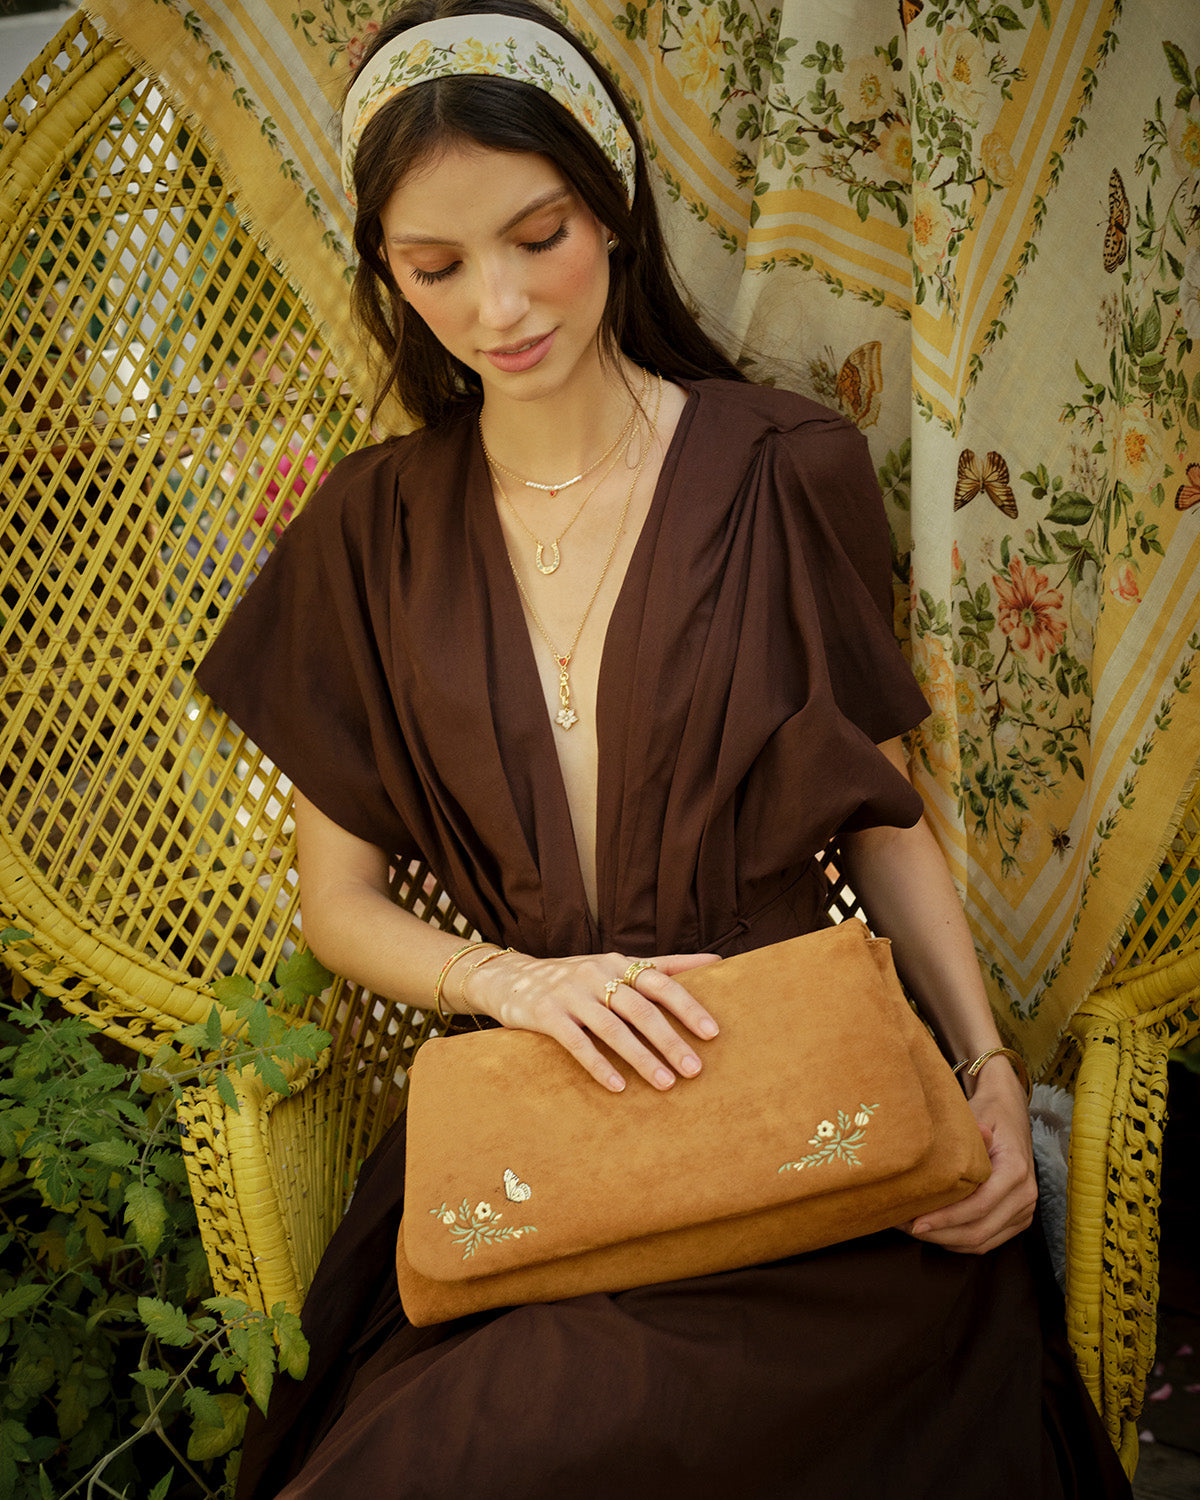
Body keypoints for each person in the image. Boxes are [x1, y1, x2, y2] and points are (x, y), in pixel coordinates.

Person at [195, 2, 1134, 1495]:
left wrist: (985, 1079)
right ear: (387, 272)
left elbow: (882, 823)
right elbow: (337, 904)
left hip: (810, 1136)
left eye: (537, 234)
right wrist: (516, 984)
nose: (498, 304)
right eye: (436, 268)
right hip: (538, 1155)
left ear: (614, 204)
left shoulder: (780, 465)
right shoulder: (363, 534)